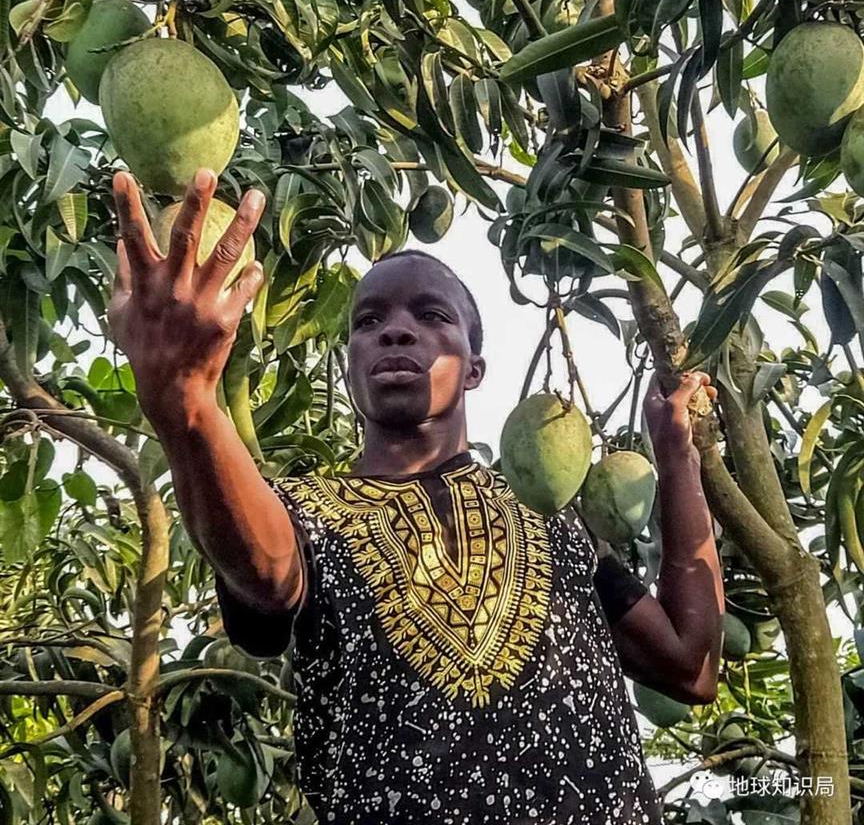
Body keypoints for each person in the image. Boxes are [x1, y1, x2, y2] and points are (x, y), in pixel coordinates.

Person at [109, 167, 724, 825]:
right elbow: (265, 570)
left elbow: (692, 665)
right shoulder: (304, 513)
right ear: (348, 369)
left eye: (430, 316)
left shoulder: (557, 536)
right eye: (368, 321)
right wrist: (188, 403)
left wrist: (676, 454)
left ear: (474, 368)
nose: (395, 331)